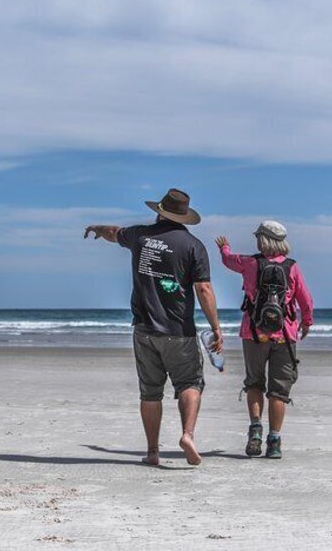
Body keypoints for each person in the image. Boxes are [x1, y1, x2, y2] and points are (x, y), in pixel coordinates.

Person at [85, 189, 223, 466]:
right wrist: (216, 327)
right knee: (190, 383)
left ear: (160, 211)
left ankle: (152, 452)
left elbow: (114, 232)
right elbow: (204, 289)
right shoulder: (193, 245)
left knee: (150, 392)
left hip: (144, 329)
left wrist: (97, 229)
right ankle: (187, 435)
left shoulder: (140, 235)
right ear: (184, 215)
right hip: (178, 331)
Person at [215, 220, 314, 459]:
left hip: (254, 334)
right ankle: (275, 442)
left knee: (254, 384)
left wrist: (224, 248)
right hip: (285, 335)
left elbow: (228, 261)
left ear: (262, 240)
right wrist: (306, 322)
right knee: (279, 391)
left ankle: (256, 432)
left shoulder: (250, 263)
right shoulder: (292, 267)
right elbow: (306, 300)